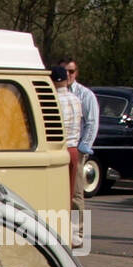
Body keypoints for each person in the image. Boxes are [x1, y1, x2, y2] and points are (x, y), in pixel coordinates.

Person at [60, 56, 98, 213]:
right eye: (64, 71)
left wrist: (83, 148)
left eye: (71, 71)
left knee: (76, 195)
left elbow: (92, 123)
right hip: (58, 149)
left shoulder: (85, 95)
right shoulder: (52, 92)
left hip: (76, 149)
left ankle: (78, 234)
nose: (68, 75)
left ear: (76, 73)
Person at [53, 63, 82, 210]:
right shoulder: (76, 99)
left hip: (59, 149)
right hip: (73, 149)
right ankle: (74, 229)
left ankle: (65, 226)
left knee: (57, 194)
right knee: (71, 194)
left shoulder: (54, 100)